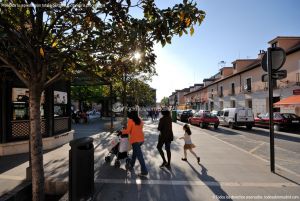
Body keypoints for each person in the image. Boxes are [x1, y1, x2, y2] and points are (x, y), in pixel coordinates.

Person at [122, 110, 148, 177]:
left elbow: (127, 131)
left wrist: (121, 131)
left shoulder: (130, 120)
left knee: (140, 156)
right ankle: (131, 165)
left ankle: (144, 171)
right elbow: (141, 127)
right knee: (135, 153)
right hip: (141, 139)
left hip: (135, 140)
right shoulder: (140, 119)